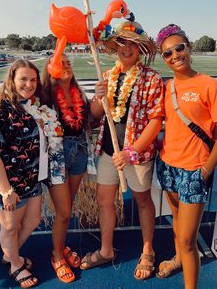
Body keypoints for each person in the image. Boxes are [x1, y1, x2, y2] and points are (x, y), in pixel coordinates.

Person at [80, 20, 164, 280]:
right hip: (108, 150)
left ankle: (148, 249)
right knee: (105, 200)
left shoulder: (151, 78)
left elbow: (155, 120)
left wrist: (132, 151)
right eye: (122, 44)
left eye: (132, 44)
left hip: (136, 153)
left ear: (140, 48)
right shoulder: (107, 76)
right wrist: (97, 97)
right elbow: (95, 117)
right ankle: (106, 250)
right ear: (116, 47)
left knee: (141, 200)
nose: (126, 49)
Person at [155, 24, 217, 289]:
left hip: (194, 170)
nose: (175, 55)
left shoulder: (209, 85)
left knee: (188, 240)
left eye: (179, 48)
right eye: (167, 53)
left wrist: (205, 171)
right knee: (177, 222)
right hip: (168, 165)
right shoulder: (166, 87)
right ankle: (178, 259)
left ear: (189, 48)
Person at [0, 59, 52, 288]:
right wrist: (6, 191)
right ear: (12, 79)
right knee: (10, 227)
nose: (29, 84)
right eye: (23, 78)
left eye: (33, 79)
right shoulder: (1, 109)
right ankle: (15, 264)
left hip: (30, 178)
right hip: (6, 183)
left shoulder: (30, 105)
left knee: (32, 220)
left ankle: (9, 254)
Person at [41, 53, 96, 283]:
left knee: (67, 208)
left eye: (68, 62)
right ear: (50, 68)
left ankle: (61, 246)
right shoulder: (44, 95)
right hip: (57, 156)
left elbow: (89, 120)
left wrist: (99, 102)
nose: (66, 66)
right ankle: (57, 255)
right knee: (63, 212)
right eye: (60, 63)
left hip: (80, 152)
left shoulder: (79, 93)